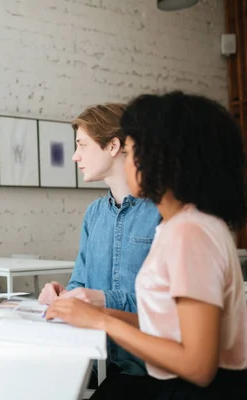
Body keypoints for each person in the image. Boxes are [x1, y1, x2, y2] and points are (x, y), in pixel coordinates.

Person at [47, 91, 247, 399]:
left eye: (131, 150)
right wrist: (92, 313)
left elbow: (197, 366)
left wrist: (101, 317)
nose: (127, 161)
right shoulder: (179, 226)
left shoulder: (191, 233)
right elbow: (167, 326)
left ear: (163, 158)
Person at [38, 103, 161, 378]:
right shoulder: (94, 214)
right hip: (95, 362)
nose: (74, 156)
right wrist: (65, 296)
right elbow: (80, 282)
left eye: (82, 145)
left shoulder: (162, 213)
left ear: (113, 146)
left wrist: (103, 299)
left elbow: (169, 309)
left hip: (150, 369)